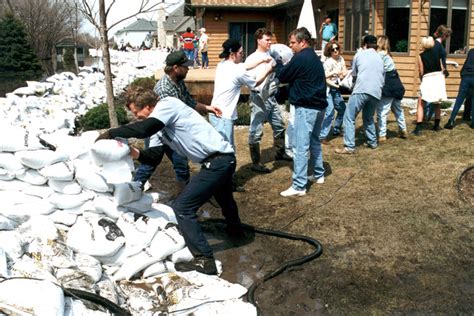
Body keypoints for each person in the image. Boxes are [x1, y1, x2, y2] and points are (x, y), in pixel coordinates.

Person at [96, 86, 242, 275]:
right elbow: (154, 156)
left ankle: (205, 259)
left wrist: (112, 132)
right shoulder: (160, 126)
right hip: (218, 161)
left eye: (136, 112)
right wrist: (134, 153)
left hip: (219, 161)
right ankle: (236, 231)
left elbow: (144, 128)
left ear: (148, 106)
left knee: (182, 207)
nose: (136, 117)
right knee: (224, 198)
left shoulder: (168, 105)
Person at [134, 51, 221, 189]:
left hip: (172, 132)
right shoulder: (164, 89)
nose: (188, 69)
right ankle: (133, 189)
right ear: (175, 68)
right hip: (160, 132)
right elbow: (172, 117)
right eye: (185, 66)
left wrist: (209, 108)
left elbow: (189, 102)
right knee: (149, 164)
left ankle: (182, 195)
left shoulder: (178, 83)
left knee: (181, 166)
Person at [209, 39, 273, 190]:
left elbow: (244, 66)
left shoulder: (222, 65)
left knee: (220, 151)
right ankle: (223, 185)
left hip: (215, 113)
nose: (242, 56)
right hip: (223, 117)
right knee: (226, 153)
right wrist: (268, 69)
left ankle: (222, 182)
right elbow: (255, 82)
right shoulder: (236, 70)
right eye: (241, 53)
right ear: (232, 54)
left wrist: (261, 61)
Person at [275, 27, 328, 197]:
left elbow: (283, 76)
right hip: (319, 106)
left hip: (307, 107)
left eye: (292, 43)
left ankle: (299, 185)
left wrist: (277, 63)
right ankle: (319, 175)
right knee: (314, 141)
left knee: (300, 146)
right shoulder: (314, 56)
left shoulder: (301, 57)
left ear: (302, 42)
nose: (290, 46)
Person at [245, 28, 292, 174]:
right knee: (256, 129)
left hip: (271, 97)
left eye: (270, 39)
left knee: (279, 125)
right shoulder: (252, 58)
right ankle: (256, 162)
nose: (270, 42)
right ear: (259, 40)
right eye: (267, 39)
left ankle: (280, 152)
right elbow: (251, 82)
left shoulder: (272, 55)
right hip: (259, 97)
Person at [335, 35, 384, 154]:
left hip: (361, 89)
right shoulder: (380, 58)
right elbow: (383, 77)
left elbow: (355, 74)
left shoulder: (359, 54)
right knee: (368, 117)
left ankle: (349, 146)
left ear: (365, 44)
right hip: (376, 92)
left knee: (349, 116)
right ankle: (372, 142)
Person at [412, 36, 447, 136]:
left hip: (427, 78)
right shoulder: (438, 54)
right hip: (438, 78)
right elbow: (442, 68)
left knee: (421, 103)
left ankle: (418, 128)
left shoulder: (421, 56)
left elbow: (421, 71)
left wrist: (421, 79)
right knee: (437, 103)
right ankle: (436, 125)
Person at [376, 35, 407, 142]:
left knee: (382, 111)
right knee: (398, 109)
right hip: (396, 84)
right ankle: (403, 129)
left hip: (387, 85)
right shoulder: (388, 56)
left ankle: (382, 135)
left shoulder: (379, 55)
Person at [319, 41, 347, 145]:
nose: (335, 51)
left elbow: (344, 70)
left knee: (342, 109)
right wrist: (334, 74)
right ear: (329, 51)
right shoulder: (328, 63)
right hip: (328, 89)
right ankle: (322, 136)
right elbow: (323, 78)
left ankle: (336, 129)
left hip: (336, 88)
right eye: (333, 49)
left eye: (337, 49)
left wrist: (343, 74)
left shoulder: (341, 59)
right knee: (329, 112)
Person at [424, 25, 452, 121]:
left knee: (434, 97)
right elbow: (437, 61)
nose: (447, 38)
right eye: (447, 36)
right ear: (444, 35)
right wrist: (443, 71)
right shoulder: (437, 46)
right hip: (435, 74)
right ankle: (426, 116)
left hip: (437, 73)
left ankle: (428, 116)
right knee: (433, 97)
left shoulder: (437, 45)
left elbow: (441, 60)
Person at [444, 48, 474, 129]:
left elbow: (465, 64)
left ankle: (451, 121)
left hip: (466, 76)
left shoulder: (471, 51)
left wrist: (462, 75)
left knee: (459, 100)